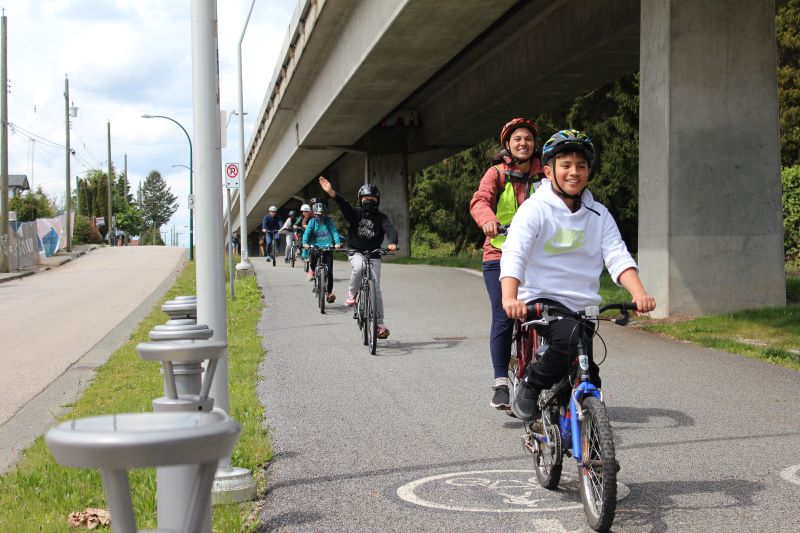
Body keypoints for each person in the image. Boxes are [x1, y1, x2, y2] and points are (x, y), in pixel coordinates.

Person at [499, 129, 656, 420]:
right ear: (549, 171)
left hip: (583, 307)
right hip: (542, 299)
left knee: (589, 376)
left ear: (589, 171)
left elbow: (617, 256)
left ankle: (585, 439)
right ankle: (531, 384)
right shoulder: (534, 209)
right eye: (566, 165)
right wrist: (510, 297)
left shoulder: (599, 214)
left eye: (581, 166)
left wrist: (639, 294)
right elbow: (515, 253)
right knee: (567, 342)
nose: (574, 172)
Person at [470, 117, 544, 411]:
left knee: (547, 312)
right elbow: (480, 201)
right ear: (508, 145)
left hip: (536, 256)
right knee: (503, 314)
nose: (523, 143)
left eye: (528, 139)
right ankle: (501, 383)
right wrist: (488, 220)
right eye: (517, 139)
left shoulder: (546, 173)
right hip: (499, 254)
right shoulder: (497, 174)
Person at [317, 176, 398, 339]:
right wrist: (331, 192)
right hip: (356, 252)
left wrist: (392, 242)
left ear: (378, 200)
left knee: (376, 290)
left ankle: (379, 325)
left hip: (374, 254)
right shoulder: (355, 213)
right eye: (365, 198)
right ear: (361, 200)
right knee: (359, 267)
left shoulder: (381, 217)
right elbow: (344, 204)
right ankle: (351, 294)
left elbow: (390, 229)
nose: (369, 201)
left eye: (372, 198)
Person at [302, 200, 343, 303]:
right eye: (317, 214)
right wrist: (305, 243)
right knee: (314, 255)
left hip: (328, 247)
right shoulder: (312, 222)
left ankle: (329, 293)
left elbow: (334, 231)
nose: (319, 216)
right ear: (314, 214)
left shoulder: (328, 221)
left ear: (325, 214)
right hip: (316, 245)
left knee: (329, 272)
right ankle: (312, 270)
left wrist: (337, 242)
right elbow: (307, 233)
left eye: (322, 214)